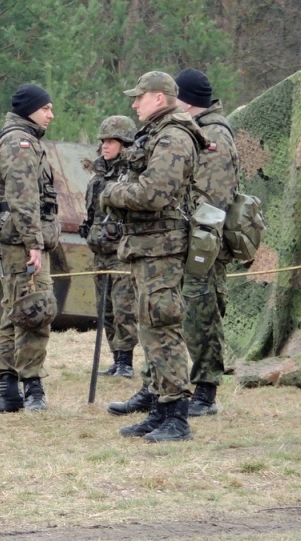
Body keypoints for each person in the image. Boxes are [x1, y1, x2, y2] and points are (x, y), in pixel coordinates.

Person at [98, 71, 209, 442]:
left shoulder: (174, 137)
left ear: (159, 98)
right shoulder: (160, 134)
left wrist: (112, 193)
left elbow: (154, 194)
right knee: (150, 327)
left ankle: (177, 415)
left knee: (163, 327)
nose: (134, 104)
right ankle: (161, 409)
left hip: (163, 247)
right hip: (149, 246)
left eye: (139, 97)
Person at [0, 83, 59, 413]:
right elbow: (23, 199)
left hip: (13, 240)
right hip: (19, 243)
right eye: (46, 108)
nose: (51, 114)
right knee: (35, 310)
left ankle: (8, 389)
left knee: (13, 311)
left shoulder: (21, 140)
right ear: (30, 109)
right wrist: (35, 243)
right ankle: (32, 387)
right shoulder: (21, 144)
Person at [175, 68, 240, 416]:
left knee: (202, 312)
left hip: (202, 242)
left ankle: (205, 390)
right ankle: (159, 385)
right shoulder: (194, 130)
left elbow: (212, 197)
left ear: (185, 101)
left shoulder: (212, 134)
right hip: (186, 238)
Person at [78, 115, 139, 379]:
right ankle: (116, 358)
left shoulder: (132, 174)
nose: (105, 145)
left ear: (124, 144)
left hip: (121, 253)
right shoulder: (99, 175)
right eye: (103, 140)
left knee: (124, 307)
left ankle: (126, 361)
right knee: (106, 310)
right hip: (99, 250)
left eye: (112, 141)